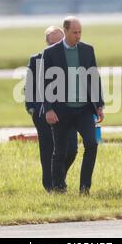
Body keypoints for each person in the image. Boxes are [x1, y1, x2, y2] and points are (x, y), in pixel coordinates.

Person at [41, 16, 104, 195]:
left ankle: (85, 189)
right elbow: (44, 83)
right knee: (60, 152)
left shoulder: (87, 50)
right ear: (66, 31)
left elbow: (94, 78)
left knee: (91, 144)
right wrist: (49, 109)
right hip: (61, 110)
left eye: (80, 32)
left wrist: (99, 105)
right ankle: (59, 189)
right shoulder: (51, 53)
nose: (78, 36)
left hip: (84, 109)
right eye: (74, 32)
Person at [25, 26, 78, 193]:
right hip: (44, 112)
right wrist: (32, 108)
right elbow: (30, 86)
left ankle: (58, 177)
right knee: (48, 150)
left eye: (59, 43)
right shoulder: (36, 60)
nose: (56, 47)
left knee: (71, 149)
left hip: (68, 111)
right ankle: (50, 186)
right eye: (52, 43)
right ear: (46, 44)